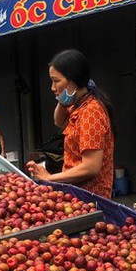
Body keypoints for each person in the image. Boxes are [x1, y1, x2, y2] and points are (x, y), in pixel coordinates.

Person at [26, 49, 115, 198]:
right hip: (75, 193)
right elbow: (59, 121)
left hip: (90, 198)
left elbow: (90, 167)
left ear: (73, 82)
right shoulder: (78, 104)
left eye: (56, 81)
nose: (52, 87)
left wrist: (49, 178)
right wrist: (63, 98)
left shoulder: (91, 111)